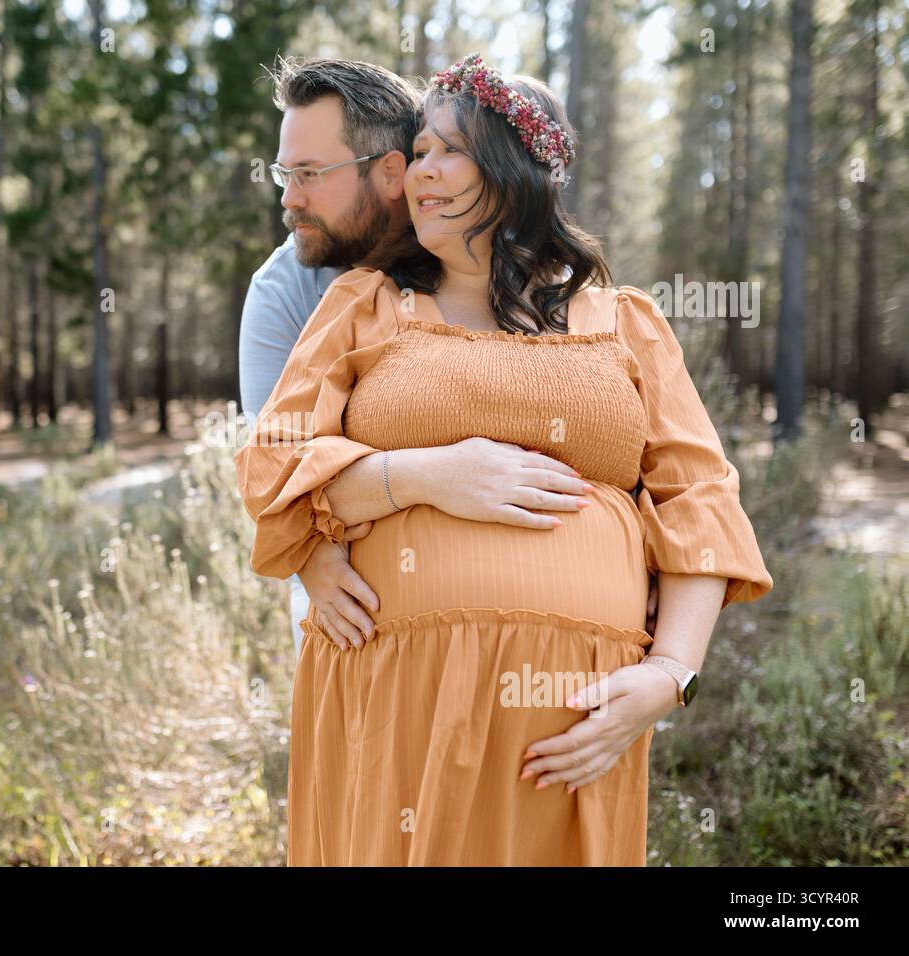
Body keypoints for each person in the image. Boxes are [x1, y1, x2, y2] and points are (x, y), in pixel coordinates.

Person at [233, 52, 773, 865]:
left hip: (574, 725)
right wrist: (429, 478)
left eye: (451, 150)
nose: (425, 172)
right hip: (396, 698)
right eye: (418, 153)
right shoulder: (363, 304)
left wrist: (668, 678)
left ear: (520, 168)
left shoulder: (624, 322)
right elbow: (275, 461)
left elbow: (697, 497)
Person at [237, 57, 652, 659]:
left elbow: (617, 438)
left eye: (308, 172)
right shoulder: (293, 289)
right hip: (364, 613)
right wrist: (315, 558)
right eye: (283, 173)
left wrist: (637, 556)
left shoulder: (521, 271)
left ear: (388, 170)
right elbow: (280, 466)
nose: (288, 199)